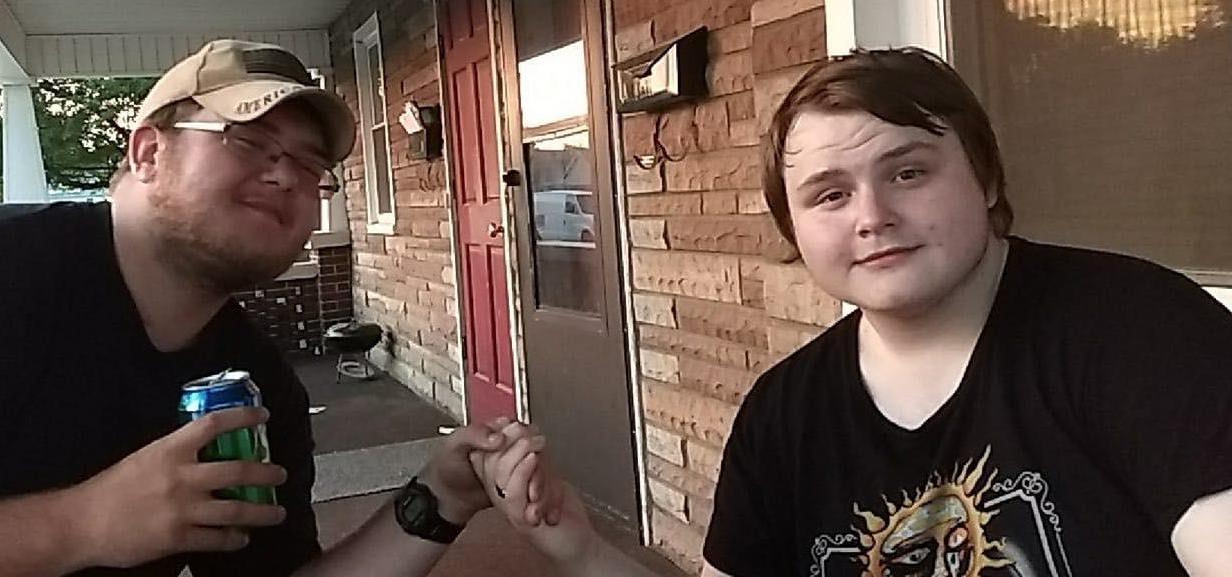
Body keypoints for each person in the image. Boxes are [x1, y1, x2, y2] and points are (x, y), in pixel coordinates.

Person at [0, 39, 554, 576]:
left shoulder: (254, 384)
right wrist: (81, 524)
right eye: (250, 140)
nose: (288, 178)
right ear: (148, 152)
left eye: (311, 165)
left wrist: (438, 498)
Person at [475, 47, 1232, 576]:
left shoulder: (1139, 332)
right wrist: (580, 549)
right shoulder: (784, 413)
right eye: (830, 194)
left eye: (907, 173)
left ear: (988, 179)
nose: (871, 216)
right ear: (793, 230)